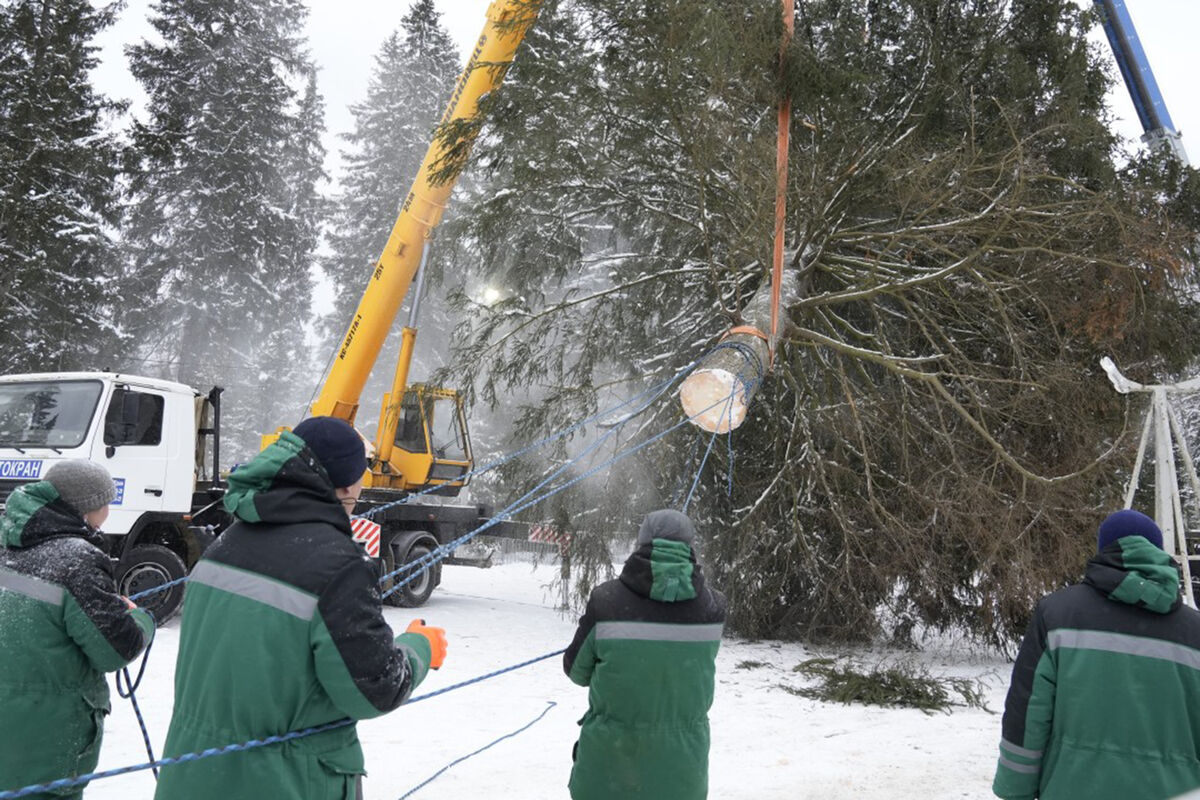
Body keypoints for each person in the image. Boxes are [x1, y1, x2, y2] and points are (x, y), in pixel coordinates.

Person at [154, 416, 447, 800]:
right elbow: (377, 688)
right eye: (361, 475)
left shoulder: (225, 545)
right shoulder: (339, 565)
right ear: (344, 483)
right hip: (281, 782)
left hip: (192, 776)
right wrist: (420, 646)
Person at [993, 509, 1200, 800]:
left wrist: (1015, 791)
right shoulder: (1195, 633)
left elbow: (1028, 712)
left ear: (1104, 550)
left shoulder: (1057, 614)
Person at [0, 460, 155, 799]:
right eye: (106, 503)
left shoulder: (6, 540)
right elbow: (116, 649)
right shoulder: (77, 560)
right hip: (46, 741)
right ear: (88, 508)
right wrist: (141, 620)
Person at [563, 509, 726, 800]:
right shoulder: (713, 608)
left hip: (607, 775)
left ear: (642, 543)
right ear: (690, 546)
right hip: (682, 778)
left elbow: (576, 671)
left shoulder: (606, 601)